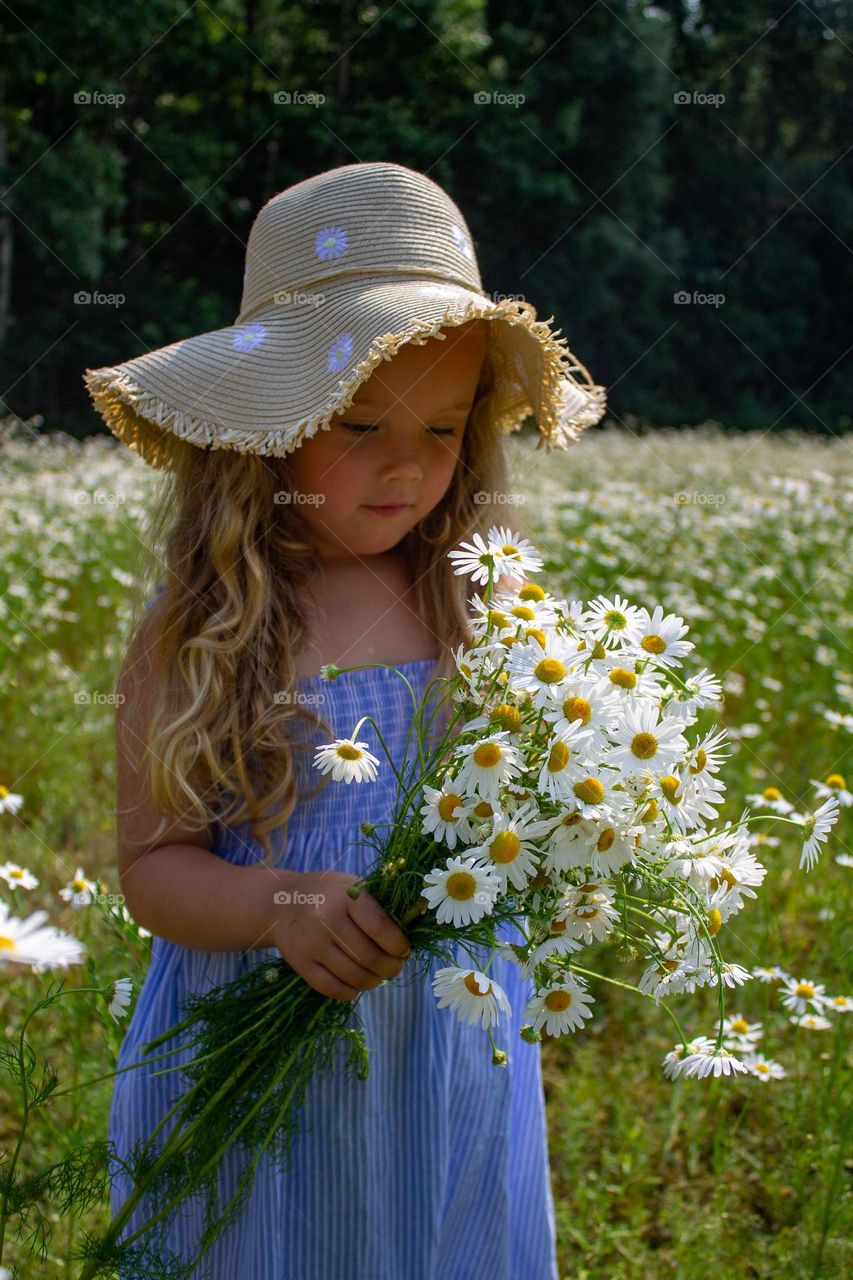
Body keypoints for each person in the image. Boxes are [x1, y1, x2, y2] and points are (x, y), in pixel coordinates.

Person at [83, 160, 606, 1280]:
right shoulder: (206, 626)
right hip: (256, 1053)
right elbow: (152, 863)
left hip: (445, 1055)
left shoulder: (479, 603)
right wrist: (280, 902)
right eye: (360, 422)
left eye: (443, 429)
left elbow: (530, 795)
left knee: (436, 1232)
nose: (404, 469)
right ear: (264, 426)